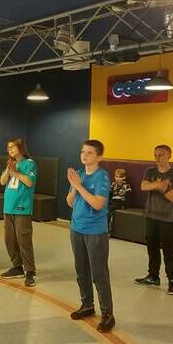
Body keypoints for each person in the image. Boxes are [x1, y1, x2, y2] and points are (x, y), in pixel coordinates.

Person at [66, 139, 115, 332]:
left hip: (95, 232)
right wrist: (73, 186)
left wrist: (79, 186)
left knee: (99, 274)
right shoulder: (78, 174)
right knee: (81, 271)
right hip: (76, 228)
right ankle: (87, 305)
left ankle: (108, 314)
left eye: (89, 153)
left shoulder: (102, 176)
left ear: (99, 157)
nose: (84, 155)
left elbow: (98, 204)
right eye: (82, 152)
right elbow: (70, 202)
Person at [135, 144, 173, 295]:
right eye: (155, 155)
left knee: (169, 251)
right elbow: (143, 186)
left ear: (169, 155)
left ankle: (172, 282)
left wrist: (160, 187)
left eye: (161, 154)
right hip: (151, 215)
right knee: (152, 249)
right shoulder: (150, 171)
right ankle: (153, 276)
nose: (157, 158)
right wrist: (159, 184)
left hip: (167, 219)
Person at [0, 138, 37, 287]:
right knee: (9, 240)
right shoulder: (11, 163)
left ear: (21, 148)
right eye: (8, 147)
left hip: (22, 208)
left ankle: (30, 271)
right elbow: (2, 182)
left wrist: (16, 172)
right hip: (8, 208)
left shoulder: (30, 163)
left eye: (12, 147)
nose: (9, 149)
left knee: (23, 240)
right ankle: (17, 267)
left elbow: (29, 182)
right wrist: (9, 170)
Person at [108, 168, 131, 234]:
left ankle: (108, 230)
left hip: (120, 202)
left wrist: (125, 206)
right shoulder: (113, 185)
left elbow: (128, 198)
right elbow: (109, 194)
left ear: (124, 177)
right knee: (104, 207)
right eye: (116, 177)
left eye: (120, 177)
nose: (117, 179)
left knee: (110, 209)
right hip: (112, 201)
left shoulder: (127, 186)